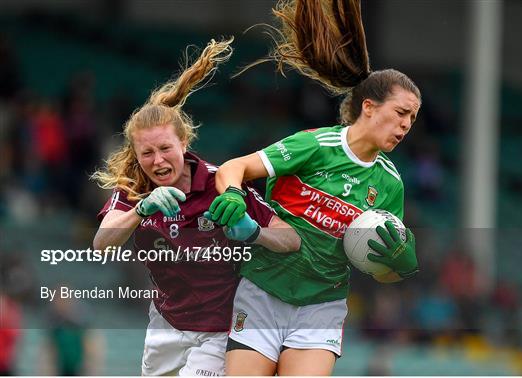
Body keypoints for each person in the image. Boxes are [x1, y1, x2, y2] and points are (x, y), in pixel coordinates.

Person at [207, 0, 421, 375]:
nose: (406, 125)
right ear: (368, 107)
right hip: (262, 291)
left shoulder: (390, 183)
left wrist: (400, 266)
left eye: (413, 119)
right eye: (401, 113)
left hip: (322, 306)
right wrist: (232, 194)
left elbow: (380, 268)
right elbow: (235, 167)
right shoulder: (315, 145)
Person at [92, 38, 300, 376]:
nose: (157, 160)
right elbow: (101, 243)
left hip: (223, 328)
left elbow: (290, 239)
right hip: (166, 322)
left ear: (184, 143)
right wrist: (140, 210)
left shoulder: (222, 184)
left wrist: (253, 232)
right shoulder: (133, 188)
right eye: (147, 153)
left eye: (165, 148)